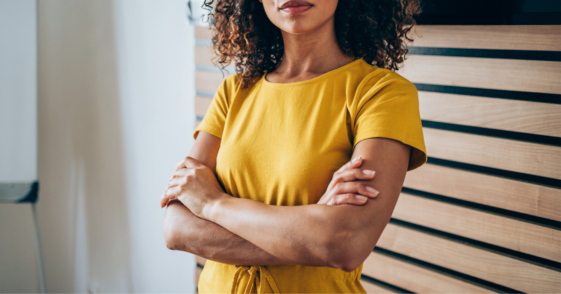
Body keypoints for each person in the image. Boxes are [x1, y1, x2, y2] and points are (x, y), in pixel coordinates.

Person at [161, 0, 426, 292]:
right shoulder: (234, 91)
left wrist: (213, 203)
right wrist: (309, 235)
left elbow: (346, 243)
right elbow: (176, 227)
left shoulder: (382, 94)